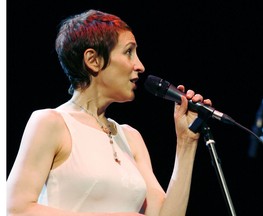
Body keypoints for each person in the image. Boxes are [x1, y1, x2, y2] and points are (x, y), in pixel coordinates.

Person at [7, 9, 212, 216]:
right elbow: (16, 209)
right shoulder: (52, 123)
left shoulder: (131, 138)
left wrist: (186, 143)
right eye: (128, 52)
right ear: (93, 60)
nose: (139, 66)